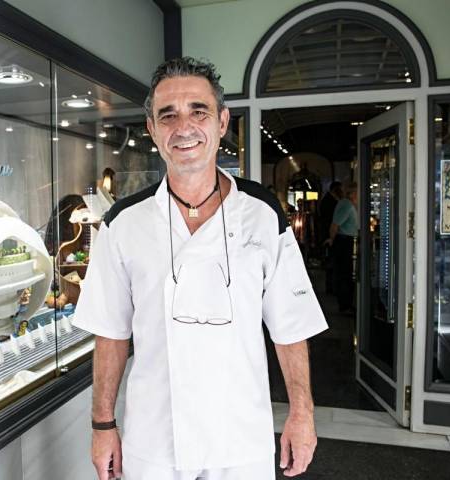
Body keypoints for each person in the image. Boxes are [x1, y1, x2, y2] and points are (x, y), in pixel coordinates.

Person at [73, 57, 328, 480]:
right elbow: (111, 334)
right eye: (167, 115)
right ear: (152, 129)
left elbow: (291, 327)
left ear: (222, 121)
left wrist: (303, 415)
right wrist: (102, 425)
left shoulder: (262, 214)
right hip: (154, 437)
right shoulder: (124, 223)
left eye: (199, 111)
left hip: (240, 435)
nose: (184, 127)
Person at [325, 182, 358, 313]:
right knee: (345, 274)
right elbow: (335, 225)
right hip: (344, 241)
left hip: (346, 240)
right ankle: (345, 306)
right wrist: (332, 239)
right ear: (353, 194)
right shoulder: (346, 205)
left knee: (346, 273)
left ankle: (346, 304)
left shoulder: (347, 204)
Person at [318, 182, 343, 294]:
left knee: (331, 261)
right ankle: (331, 287)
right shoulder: (329, 201)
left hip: (327, 233)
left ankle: (331, 286)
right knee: (331, 261)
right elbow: (331, 221)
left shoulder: (328, 199)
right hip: (328, 234)